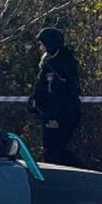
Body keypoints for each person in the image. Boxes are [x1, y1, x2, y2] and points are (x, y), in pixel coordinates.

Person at [28, 27, 83, 166]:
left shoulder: (64, 65)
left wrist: (55, 118)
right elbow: (40, 90)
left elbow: (64, 95)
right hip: (49, 116)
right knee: (50, 150)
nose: (40, 47)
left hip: (60, 117)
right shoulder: (48, 63)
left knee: (56, 152)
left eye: (42, 44)